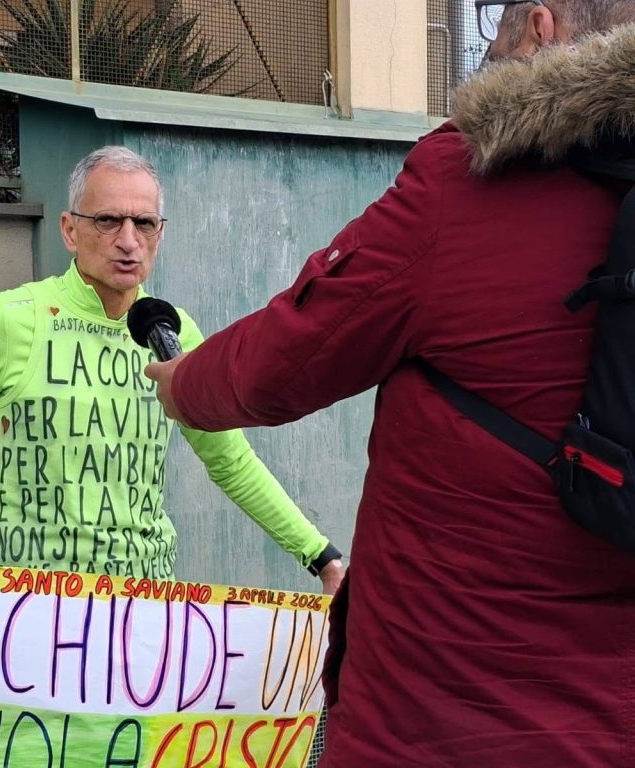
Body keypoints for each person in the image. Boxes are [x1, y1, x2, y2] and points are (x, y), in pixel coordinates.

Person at [146, 4, 635, 766]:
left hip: (437, 720)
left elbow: (288, 357)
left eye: (497, 26)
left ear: (542, 27)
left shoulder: (475, 179)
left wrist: (183, 383)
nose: (487, 50)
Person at [0, 145, 345, 670]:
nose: (128, 241)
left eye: (144, 223)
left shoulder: (173, 334)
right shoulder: (10, 321)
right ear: (70, 230)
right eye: (108, 221)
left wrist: (322, 557)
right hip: (34, 635)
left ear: (161, 233)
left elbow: (231, 462)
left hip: (143, 630)